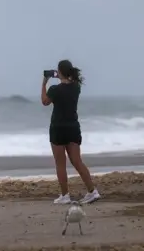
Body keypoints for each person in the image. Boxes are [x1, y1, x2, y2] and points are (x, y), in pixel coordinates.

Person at [41, 59, 101, 204]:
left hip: (58, 128)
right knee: (77, 161)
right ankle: (92, 191)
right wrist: (63, 76)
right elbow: (70, 81)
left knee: (60, 164)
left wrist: (44, 83)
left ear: (59, 72)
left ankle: (65, 195)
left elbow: (45, 101)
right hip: (73, 127)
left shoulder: (54, 90)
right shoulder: (76, 87)